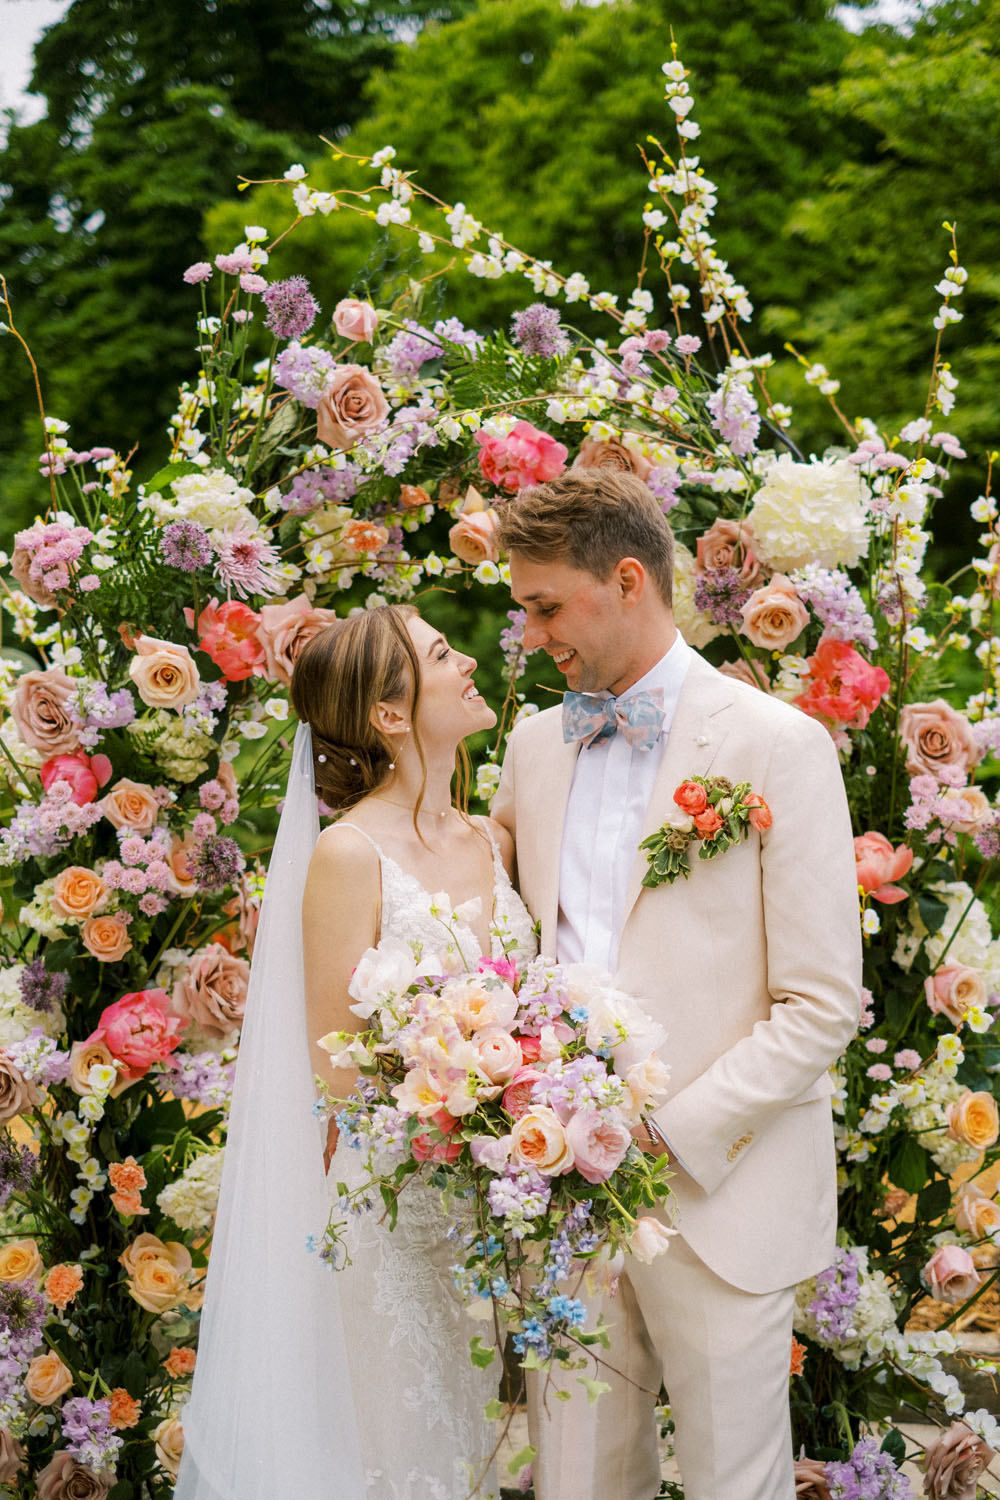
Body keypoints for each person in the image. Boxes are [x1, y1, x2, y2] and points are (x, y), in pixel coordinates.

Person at [491, 469, 862, 1500]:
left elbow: (821, 1002)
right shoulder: (530, 748)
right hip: (562, 1190)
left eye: (545, 605)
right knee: (576, 1482)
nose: (533, 634)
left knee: (732, 1485)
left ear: (624, 579)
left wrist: (662, 1135)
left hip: (719, 1193)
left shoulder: (773, 745)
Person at [175, 604, 535, 1500]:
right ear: (388, 712)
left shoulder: (494, 841)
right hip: (399, 1213)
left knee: (486, 1457)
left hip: (506, 1206)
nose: (468, 665)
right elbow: (336, 1067)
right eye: (445, 655)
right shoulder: (347, 854)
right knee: (405, 1454)